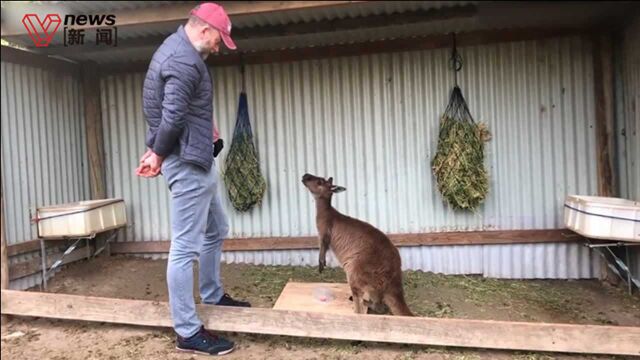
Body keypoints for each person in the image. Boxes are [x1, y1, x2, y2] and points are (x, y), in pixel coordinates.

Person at [135, 2, 249, 356]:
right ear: (203, 30)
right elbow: (170, 118)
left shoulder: (179, 50)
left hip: (197, 158)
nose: (219, 47)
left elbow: (180, 112)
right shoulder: (184, 62)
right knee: (185, 247)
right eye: (218, 40)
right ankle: (187, 331)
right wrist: (158, 152)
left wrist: (161, 149)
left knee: (216, 230)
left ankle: (213, 296)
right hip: (186, 163)